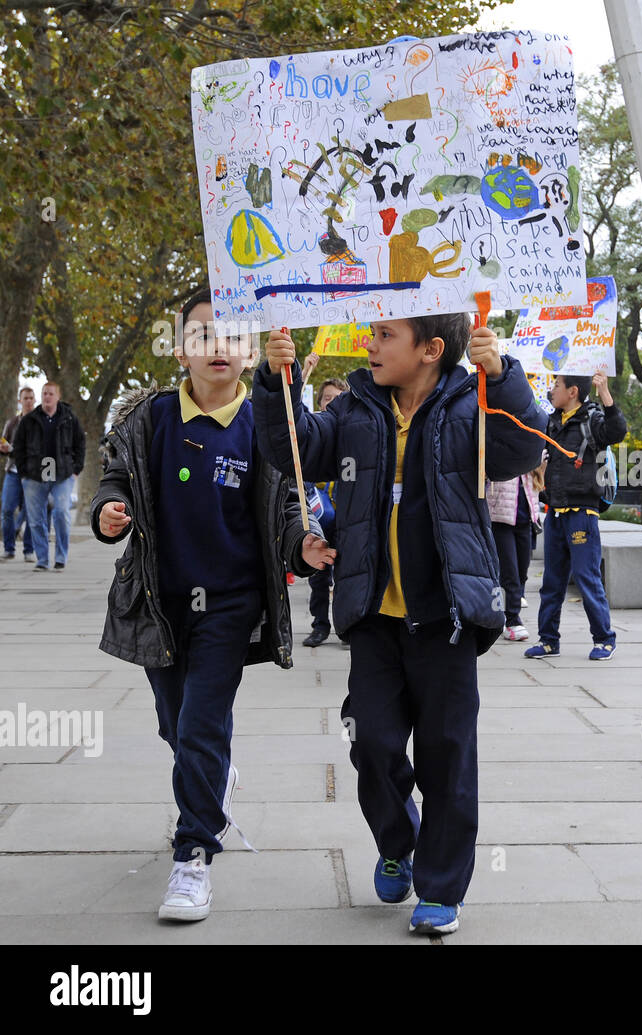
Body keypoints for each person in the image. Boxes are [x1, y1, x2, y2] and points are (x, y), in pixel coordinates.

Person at [255, 310, 546, 937]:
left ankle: (441, 888)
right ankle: (398, 840)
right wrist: (275, 381)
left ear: (431, 349)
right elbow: (294, 447)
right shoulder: (356, 406)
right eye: (372, 333)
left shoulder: (475, 402)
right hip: (371, 617)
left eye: (386, 335)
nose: (370, 343)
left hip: (447, 618)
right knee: (373, 743)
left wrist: (507, 375)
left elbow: (522, 449)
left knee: (447, 755)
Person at [90, 288, 328, 923]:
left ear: (251, 351)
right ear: (179, 349)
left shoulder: (268, 425)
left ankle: (193, 852)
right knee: (176, 724)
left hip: (230, 603)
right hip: (158, 602)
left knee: (201, 723)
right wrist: (109, 512)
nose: (217, 347)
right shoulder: (151, 417)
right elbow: (118, 476)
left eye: (231, 336)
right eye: (202, 335)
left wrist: (302, 546)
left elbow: (289, 508)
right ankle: (210, 776)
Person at [528, 371, 627, 661]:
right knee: (552, 581)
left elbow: (616, 431)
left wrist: (605, 393)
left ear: (572, 391)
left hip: (582, 512)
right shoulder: (551, 422)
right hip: (555, 512)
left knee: (586, 577)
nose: (552, 390)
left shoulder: (592, 419)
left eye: (556, 385)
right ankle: (548, 641)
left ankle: (604, 639)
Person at [12, 381, 85, 571]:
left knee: (61, 513)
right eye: (44, 393)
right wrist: (23, 473)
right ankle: (42, 560)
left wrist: (76, 469)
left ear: (58, 396)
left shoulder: (69, 417)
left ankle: (61, 557)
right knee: (36, 520)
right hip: (34, 476)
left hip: (62, 474)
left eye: (51, 394)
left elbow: (80, 442)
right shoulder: (30, 419)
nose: (47, 397)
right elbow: (18, 447)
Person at [303, 378, 348, 648]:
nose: (332, 402)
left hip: (345, 519)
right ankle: (320, 625)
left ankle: (345, 626)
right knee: (319, 576)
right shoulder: (314, 436)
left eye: (338, 397)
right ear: (320, 402)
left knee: (344, 575)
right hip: (319, 519)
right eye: (328, 397)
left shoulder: (353, 434)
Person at [488, 471, 540, 641]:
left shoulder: (534, 453)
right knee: (509, 572)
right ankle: (512, 621)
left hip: (526, 519)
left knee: (522, 572)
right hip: (501, 517)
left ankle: (502, 614)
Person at [1, 386, 36, 561]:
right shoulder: (12, 423)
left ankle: (28, 550)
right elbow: (6, 447)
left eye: (31, 398)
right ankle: (9, 548)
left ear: (35, 401)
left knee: (31, 512)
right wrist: (4, 448)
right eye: (25, 398)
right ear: (19, 401)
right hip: (13, 472)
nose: (28, 401)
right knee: (7, 510)